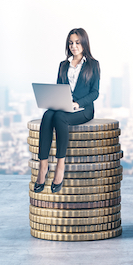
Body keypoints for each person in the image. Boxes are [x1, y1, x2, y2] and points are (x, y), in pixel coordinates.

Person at [34, 28, 100, 194]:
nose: (74, 46)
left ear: (84, 43)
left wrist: (77, 104)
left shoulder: (93, 65)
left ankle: (60, 166)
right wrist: (56, 101)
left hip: (83, 109)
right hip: (64, 105)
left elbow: (95, 92)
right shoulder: (63, 65)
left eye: (77, 42)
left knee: (60, 118)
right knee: (48, 115)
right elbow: (59, 88)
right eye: (71, 43)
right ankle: (43, 166)